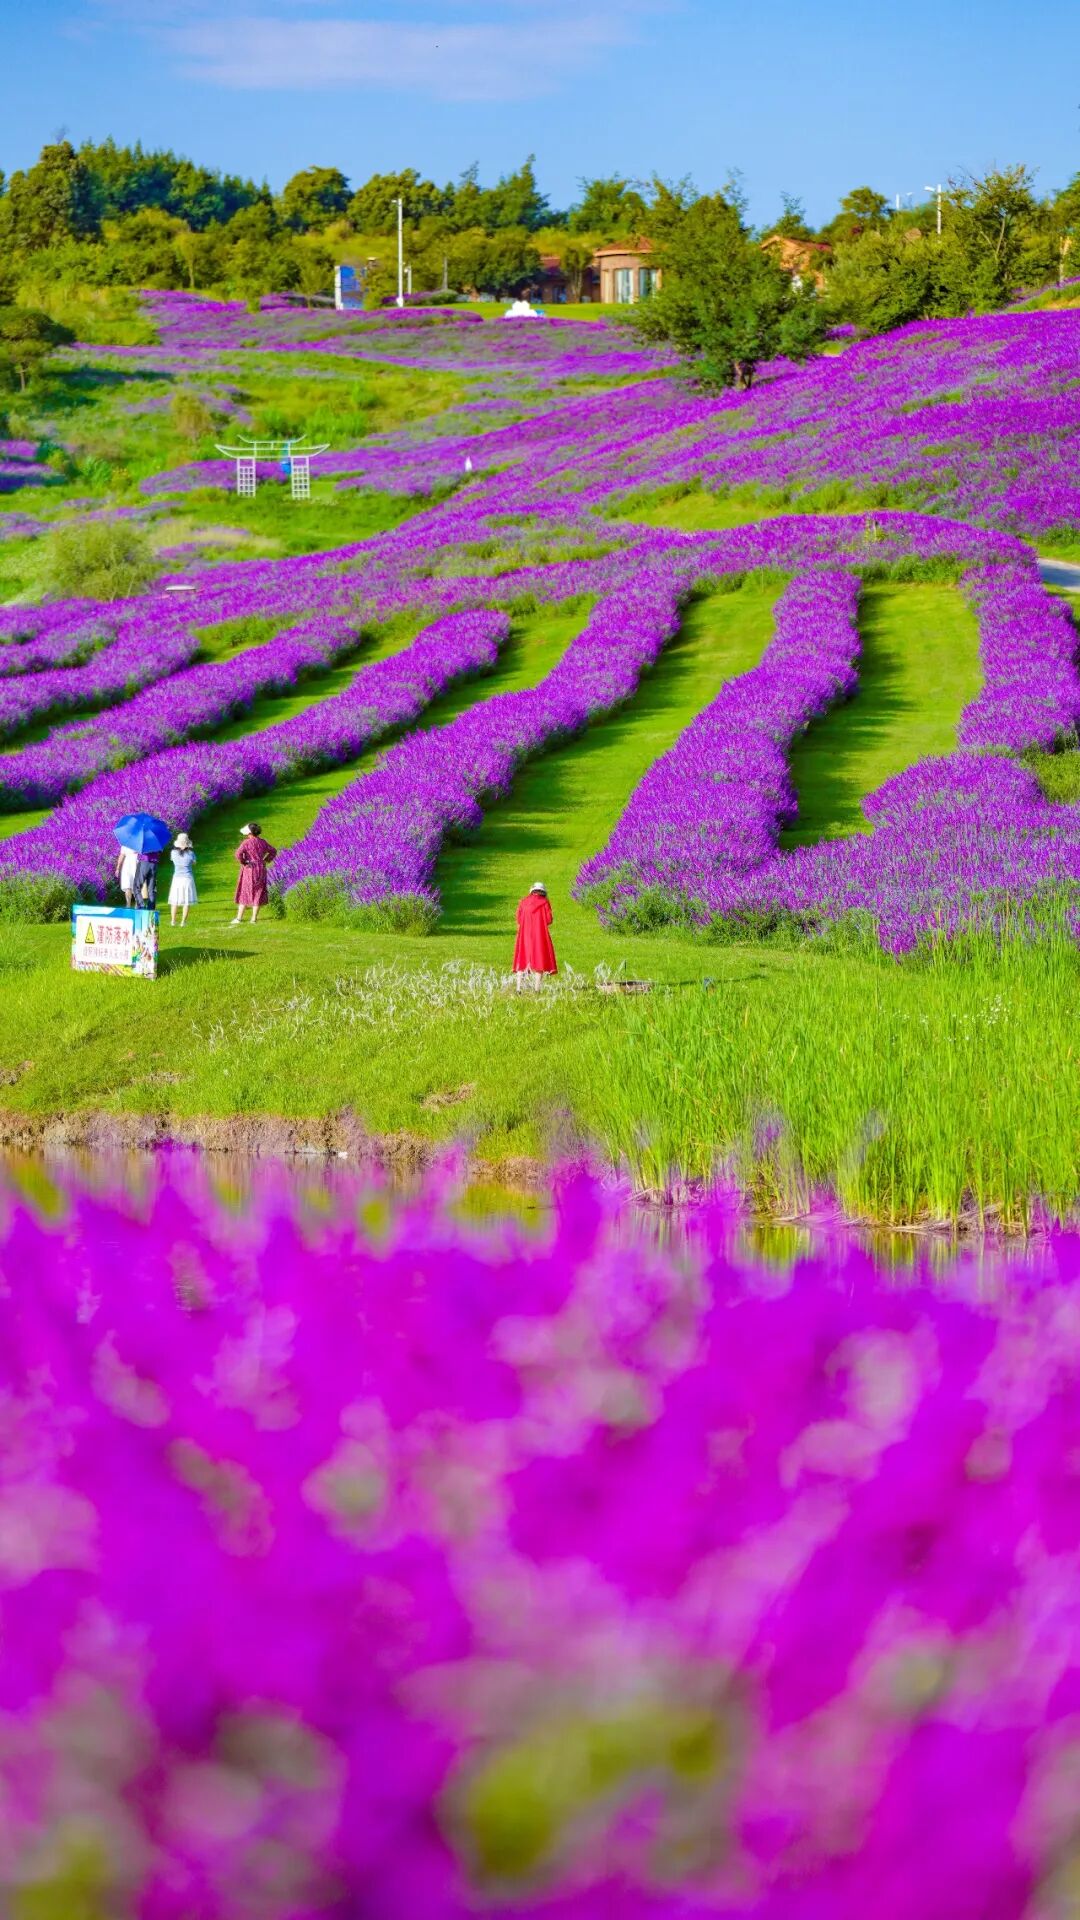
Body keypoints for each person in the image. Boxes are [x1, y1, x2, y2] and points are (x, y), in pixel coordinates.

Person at [513, 881, 557, 989]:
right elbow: (549, 919)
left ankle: (518, 988)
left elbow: (518, 919)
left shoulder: (523, 902)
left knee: (522, 958)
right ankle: (537, 989)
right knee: (539, 959)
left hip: (524, 934)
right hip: (539, 934)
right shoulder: (545, 902)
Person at [231, 822, 276, 925]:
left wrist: (244, 862)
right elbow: (273, 851)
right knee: (258, 892)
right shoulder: (263, 842)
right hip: (261, 868)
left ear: (250, 833)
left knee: (245, 892)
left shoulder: (246, 843)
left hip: (249, 869)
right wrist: (265, 860)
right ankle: (254, 919)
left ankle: (239, 918)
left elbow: (238, 854)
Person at [168, 832, 198, 927]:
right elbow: (194, 863)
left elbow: (172, 860)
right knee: (186, 901)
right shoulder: (191, 853)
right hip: (187, 878)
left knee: (174, 901)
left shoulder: (173, 853)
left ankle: (173, 921)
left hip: (177, 878)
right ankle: (183, 922)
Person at [115, 843, 138, 907]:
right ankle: (128, 905)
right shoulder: (125, 844)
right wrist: (118, 868)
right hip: (127, 865)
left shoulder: (139, 843)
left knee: (137, 886)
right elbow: (122, 855)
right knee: (127, 885)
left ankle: (137, 905)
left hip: (136, 864)